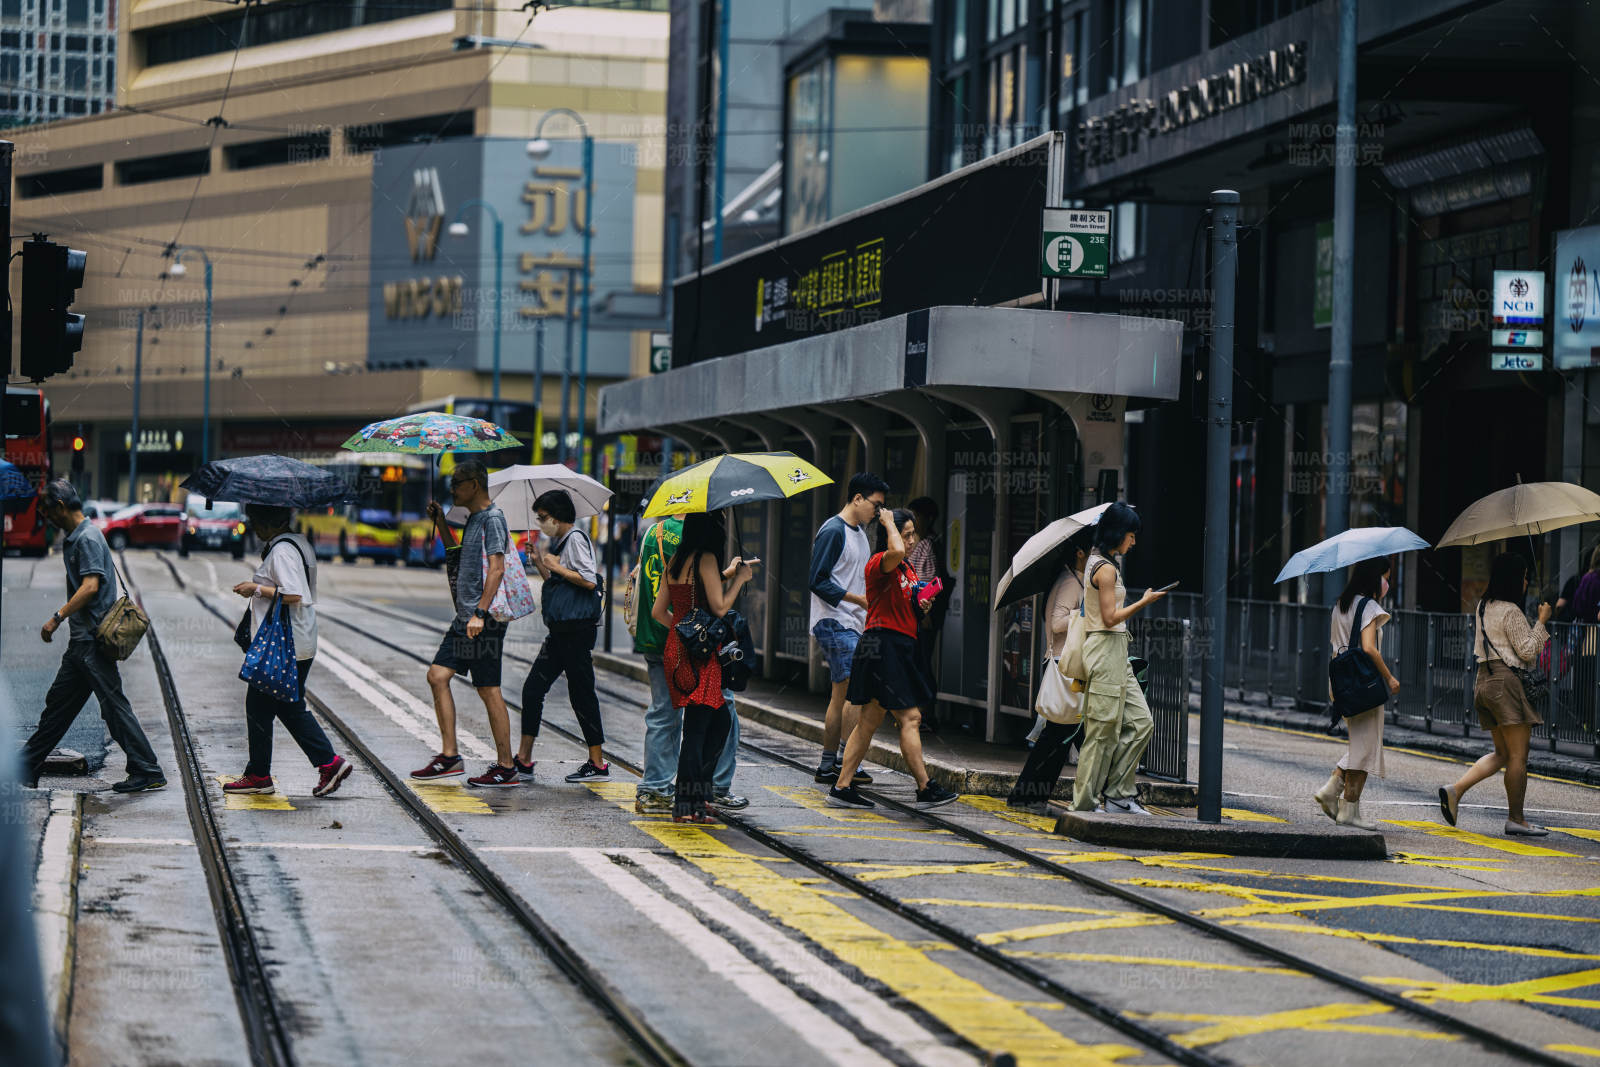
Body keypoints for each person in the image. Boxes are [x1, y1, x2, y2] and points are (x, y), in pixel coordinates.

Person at [20, 479, 165, 793]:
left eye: (48, 514)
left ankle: (147, 768)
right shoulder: (81, 535)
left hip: (92, 642)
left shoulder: (85, 538)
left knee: (113, 707)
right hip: (82, 643)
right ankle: (26, 765)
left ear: (60, 507)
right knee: (59, 706)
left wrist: (56, 617)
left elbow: (91, 586)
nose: (49, 521)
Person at [826, 509, 960, 810]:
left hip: (896, 646)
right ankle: (925, 787)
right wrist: (887, 522)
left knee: (869, 720)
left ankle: (842, 785)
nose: (911, 541)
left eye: (914, 534)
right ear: (890, 535)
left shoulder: (906, 570)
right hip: (883, 645)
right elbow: (896, 550)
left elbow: (903, 606)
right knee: (911, 718)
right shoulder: (881, 563)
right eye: (907, 533)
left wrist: (920, 606)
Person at [223, 505, 352, 798]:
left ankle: (324, 764)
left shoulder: (282, 550)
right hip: (298, 638)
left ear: (271, 522)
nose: (253, 528)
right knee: (275, 706)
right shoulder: (299, 543)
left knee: (273, 706)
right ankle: (264, 773)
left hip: (284, 643)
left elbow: (295, 595)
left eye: (256, 521)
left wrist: (255, 588)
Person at [633, 511, 747, 815]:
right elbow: (720, 608)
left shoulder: (677, 560)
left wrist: (681, 632)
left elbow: (659, 611)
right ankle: (689, 801)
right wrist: (740, 581)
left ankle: (696, 796)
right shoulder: (706, 558)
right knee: (702, 725)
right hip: (700, 656)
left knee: (711, 720)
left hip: (676, 651)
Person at [412, 460, 518, 787]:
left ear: (474, 484)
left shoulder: (493, 519)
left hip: (482, 620)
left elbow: (497, 569)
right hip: (466, 618)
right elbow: (457, 553)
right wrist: (441, 522)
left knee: (488, 689)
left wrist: (480, 614)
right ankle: (449, 756)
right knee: (437, 675)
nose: (452, 489)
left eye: (457, 483)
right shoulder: (474, 519)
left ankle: (506, 766)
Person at [1439, 553, 1553, 837]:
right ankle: (1516, 819)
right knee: (1518, 756)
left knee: (1502, 752)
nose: (1526, 581)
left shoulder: (1482, 606)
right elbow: (1526, 651)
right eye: (1524, 575)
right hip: (1506, 683)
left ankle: (1456, 791)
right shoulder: (1510, 610)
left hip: (1484, 681)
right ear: (1514, 579)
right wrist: (1541, 622)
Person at [1070, 502, 1163, 814]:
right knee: (1102, 731)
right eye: (1131, 534)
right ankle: (1086, 801)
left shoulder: (1101, 562)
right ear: (1117, 533)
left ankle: (1118, 794)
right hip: (1105, 648)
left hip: (1116, 652)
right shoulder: (1105, 568)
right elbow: (1110, 617)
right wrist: (1144, 602)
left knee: (1141, 723)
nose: (1133, 541)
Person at [517, 489, 609, 783]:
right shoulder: (562, 542)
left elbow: (588, 580)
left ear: (557, 517)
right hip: (561, 632)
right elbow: (559, 586)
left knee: (581, 693)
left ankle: (597, 764)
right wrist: (541, 564)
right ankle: (524, 759)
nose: (541, 523)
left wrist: (556, 566)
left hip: (576, 632)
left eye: (543, 518)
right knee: (533, 690)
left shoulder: (576, 539)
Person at [1008, 527, 1095, 813]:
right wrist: (1084, 616)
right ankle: (1027, 797)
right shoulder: (1071, 583)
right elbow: (1057, 624)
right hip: (1065, 667)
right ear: (1080, 553)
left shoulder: (1073, 580)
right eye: (1092, 552)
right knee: (1061, 738)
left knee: (1062, 738)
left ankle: (1029, 797)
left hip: (1066, 666)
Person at [808, 472, 888, 784]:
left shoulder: (858, 532)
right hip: (834, 620)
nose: (878, 512)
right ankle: (843, 761)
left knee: (843, 693)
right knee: (854, 691)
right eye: (876, 505)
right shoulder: (833, 530)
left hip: (853, 622)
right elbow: (817, 580)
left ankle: (831, 764)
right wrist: (858, 600)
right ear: (857, 498)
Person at [1312, 557, 1397, 830]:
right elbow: (1370, 648)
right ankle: (1341, 802)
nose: (1388, 583)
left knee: (1362, 744)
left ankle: (1348, 806)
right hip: (1363, 683)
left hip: (1340, 681)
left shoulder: (1340, 604)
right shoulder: (1368, 606)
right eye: (1386, 576)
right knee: (1365, 746)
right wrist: (1389, 677)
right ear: (1375, 577)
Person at [906, 496, 950, 730]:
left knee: (921, 659)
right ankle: (919, 709)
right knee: (917, 659)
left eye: (917, 517)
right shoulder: (919, 542)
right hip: (915, 613)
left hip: (923, 614)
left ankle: (925, 711)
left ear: (928, 518)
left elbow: (932, 581)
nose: (913, 521)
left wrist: (926, 613)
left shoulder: (927, 544)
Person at [1563, 544, 1600, 624]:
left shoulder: (1588, 578)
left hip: (1586, 624)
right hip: (1591, 625)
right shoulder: (1592, 579)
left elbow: (1578, 605)